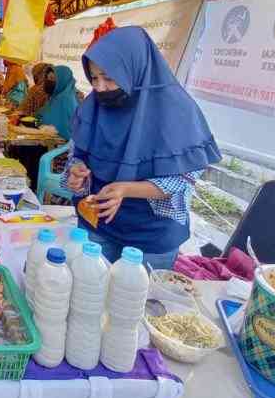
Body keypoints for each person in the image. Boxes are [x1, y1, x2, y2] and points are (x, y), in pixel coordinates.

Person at [64, 26, 221, 269]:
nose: (99, 87)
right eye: (94, 78)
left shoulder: (177, 111)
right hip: (97, 223)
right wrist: (77, 171)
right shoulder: (93, 106)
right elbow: (78, 153)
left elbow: (183, 179)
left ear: (134, 71)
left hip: (150, 237)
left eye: (108, 77)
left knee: (135, 302)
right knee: (89, 294)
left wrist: (126, 188)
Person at [37, 65, 79, 140]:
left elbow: (66, 131)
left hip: (60, 146)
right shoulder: (55, 96)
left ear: (62, 80)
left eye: (52, 78)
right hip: (47, 139)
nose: (48, 81)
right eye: (47, 78)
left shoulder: (66, 99)